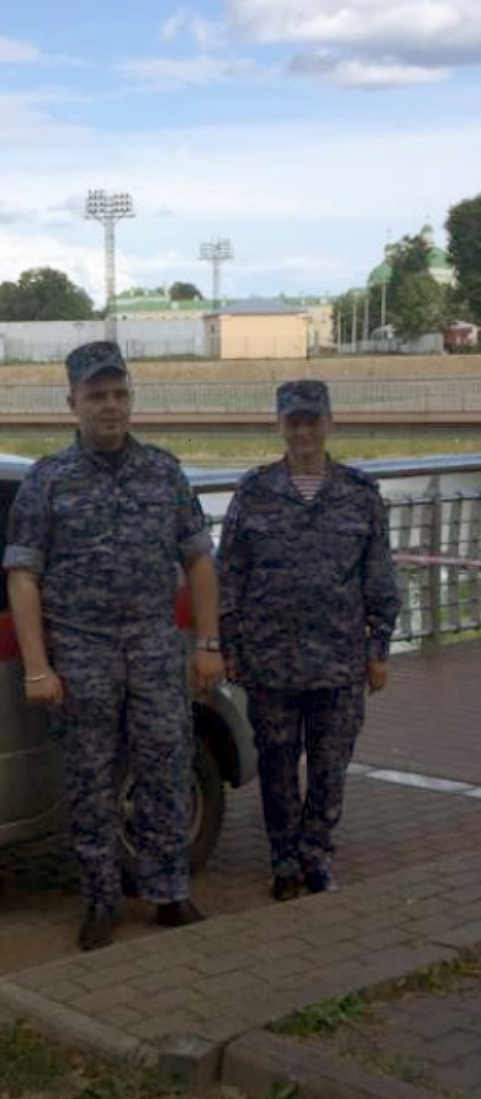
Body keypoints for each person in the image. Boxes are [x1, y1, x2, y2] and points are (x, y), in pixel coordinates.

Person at [5, 340, 224, 952]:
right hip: (81, 655)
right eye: (97, 396)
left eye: (120, 394)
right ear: (72, 402)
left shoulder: (164, 471)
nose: (110, 406)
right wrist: (36, 666)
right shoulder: (46, 481)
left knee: (165, 770)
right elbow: (23, 576)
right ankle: (101, 900)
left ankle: (168, 891)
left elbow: (200, 561)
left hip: (156, 649)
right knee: (91, 782)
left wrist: (208, 642)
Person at [217, 379, 400, 900]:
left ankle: (316, 853)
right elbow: (229, 574)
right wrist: (229, 644)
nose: (304, 431)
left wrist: (379, 648)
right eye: (294, 421)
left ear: (329, 424)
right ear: (279, 426)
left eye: (312, 420)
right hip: (269, 658)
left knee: (329, 763)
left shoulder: (360, 495)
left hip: (340, 659)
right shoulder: (253, 493)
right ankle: (283, 860)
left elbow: (379, 578)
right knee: (276, 763)